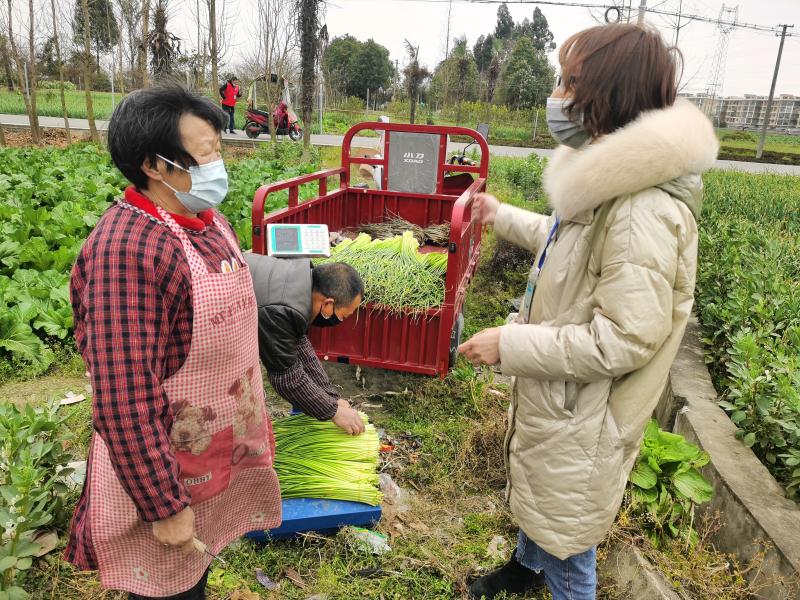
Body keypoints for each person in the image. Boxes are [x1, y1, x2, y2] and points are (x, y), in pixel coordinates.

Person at [460, 23, 718, 600]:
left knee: (570, 536)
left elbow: (625, 338)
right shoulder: (613, 183)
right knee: (548, 497)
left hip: (587, 410)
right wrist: (501, 216)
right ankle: (526, 568)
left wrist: (510, 344)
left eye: (570, 81)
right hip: (566, 400)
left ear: (610, 94)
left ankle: (553, 578)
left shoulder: (640, 208)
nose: (558, 96)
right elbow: (566, 243)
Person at [65, 82, 281, 600]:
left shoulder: (210, 222)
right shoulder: (127, 251)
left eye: (217, 149)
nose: (217, 164)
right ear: (154, 165)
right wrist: (163, 506)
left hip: (208, 453)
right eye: (205, 153)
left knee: (194, 576)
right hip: (165, 469)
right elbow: (122, 397)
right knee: (169, 587)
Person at [243, 253, 366, 436]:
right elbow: (287, 378)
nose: (342, 320)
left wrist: (332, 398)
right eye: (344, 315)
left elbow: (299, 344)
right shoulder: (281, 310)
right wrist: (333, 412)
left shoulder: (304, 280)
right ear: (328, 304)